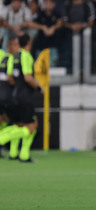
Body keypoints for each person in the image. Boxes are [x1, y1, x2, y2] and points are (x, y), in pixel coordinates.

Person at [0, 33, 44, 162]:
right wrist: (38, 88)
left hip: (13, 95)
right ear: (29, 42)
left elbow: (10, 77)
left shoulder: (11, 58)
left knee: (17, 124)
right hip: (22, 96)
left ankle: (16, 153)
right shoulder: (25, 56)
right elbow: (27, 77)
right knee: (31, 126)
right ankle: (15, 149)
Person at [0, 37, 20, 159]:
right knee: (17, 123)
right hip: (9, 95)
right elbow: (10, 77)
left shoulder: (4, 58)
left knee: (3, 121)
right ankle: (13, 152)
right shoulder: (11, 58)